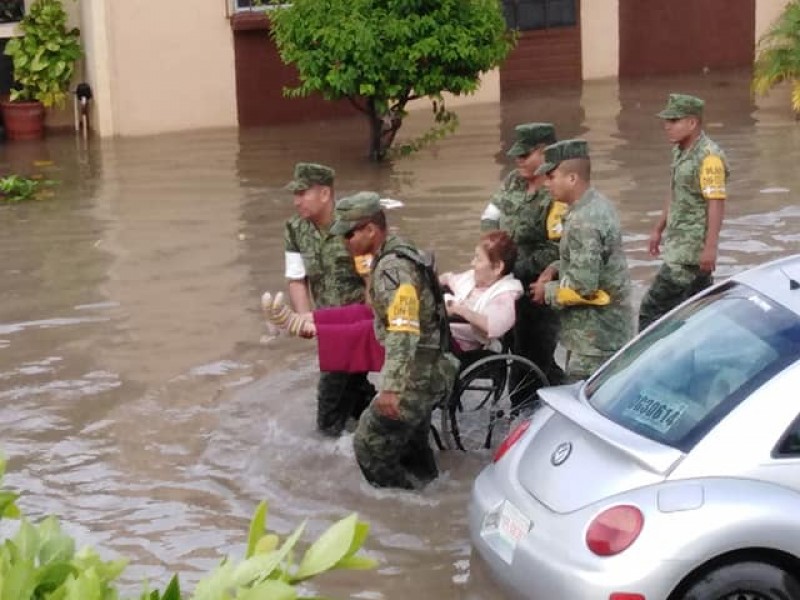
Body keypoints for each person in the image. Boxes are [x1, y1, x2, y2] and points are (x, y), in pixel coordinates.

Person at [331, 191, 458, 490]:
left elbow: (403, 330)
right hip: (429, 366)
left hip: (416, 374)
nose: (344, 242)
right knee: (413, 447)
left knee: (368, 444)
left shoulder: (392, 268)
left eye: (349, 234)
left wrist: (391, 388)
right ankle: (435, 497)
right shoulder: (400, 251)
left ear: (371, 230)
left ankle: (403, 506)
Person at [262, 230, 523, 371]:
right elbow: (446, 278)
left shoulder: (505, 294)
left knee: (375, 327)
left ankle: (308, 328)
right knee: (367, 311)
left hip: (453, 343)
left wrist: (459, 309)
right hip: (437, 326)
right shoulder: (471, 278)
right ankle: (303, 319)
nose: (472, 263)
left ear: (497, 266)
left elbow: (493, 326)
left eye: (478, 259)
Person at [282, 162, 375, 437]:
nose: (296, 201)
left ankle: (328, 451)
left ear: (324, 194)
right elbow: (297, 278)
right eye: (295, 195)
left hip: (356, 323)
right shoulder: (295, 228)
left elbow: (370, 278)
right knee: (354, 392)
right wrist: (303, 319)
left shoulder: (352, 226)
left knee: (328, 410)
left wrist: (373, 321)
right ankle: (377, 429)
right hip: (326, 325)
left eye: (302, 194)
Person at [532, 139, 634, 383]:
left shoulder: (583, 222)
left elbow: (583, 287)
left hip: (595, 339)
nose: (547, 184)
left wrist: (544, 292)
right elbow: (591, 260)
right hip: (603, 331)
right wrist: (555, 268)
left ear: (572, 179)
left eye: (552, 176)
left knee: (581, 403)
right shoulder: (594, 205)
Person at [481, 122, 566, 392]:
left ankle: (525, 409)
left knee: (530, 356)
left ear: (544, 152)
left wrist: (508, 264)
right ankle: (563, 390)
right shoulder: (514, 181)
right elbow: (491, 215)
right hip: (508, 280)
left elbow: (559, 249)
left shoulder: (558, 189)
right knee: (520, 348)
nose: (518, 161)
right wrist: (490, 249)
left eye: (524, 156)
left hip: (539, 286)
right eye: (516, 156)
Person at [638, 93, 730, 332]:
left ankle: (647, 364)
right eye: (666, 121)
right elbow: (676, 190)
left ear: (692, 123)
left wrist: (711, 248)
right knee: (695, 314)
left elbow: (716, 203)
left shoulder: (709, 158)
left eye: (674, 120)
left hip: (690, 251)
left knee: (652, 309)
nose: (667, 126)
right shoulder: (680, 151)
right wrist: (659, 227)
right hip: (679, 243)